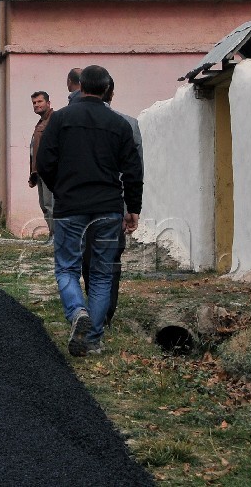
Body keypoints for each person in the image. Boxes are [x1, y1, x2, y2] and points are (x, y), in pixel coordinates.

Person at [36, 65, 142, 357]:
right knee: (102, 275)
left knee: (67, 267)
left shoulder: (61, 119)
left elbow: (44, 162)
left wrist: (62, 188)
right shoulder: (119, 124)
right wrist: (132, 208)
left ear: (80, 87)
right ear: (107, 89)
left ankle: (77, 311)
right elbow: (133, 170)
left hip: (70, 207)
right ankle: (93, 339)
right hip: (108, 209)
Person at [82, 76, 145, 325]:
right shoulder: (128, 124)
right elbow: (135, 171)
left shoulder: (73, 123)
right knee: (109, 258)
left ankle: (94, 307)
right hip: (114, 205)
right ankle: (106, 311)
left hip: (82, 206)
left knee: (87, 258)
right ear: (111, 92)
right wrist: (132, 209)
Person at [27, 91, 54, 237]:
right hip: (40, 173)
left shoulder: (54, 120)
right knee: (45, 206)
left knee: (51, 206)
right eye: (34, 103)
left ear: (48, 103)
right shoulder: (40, 123)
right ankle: (53, 235)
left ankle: (56, 237)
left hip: (50, 173)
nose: (36, 105)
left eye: (39, 102)